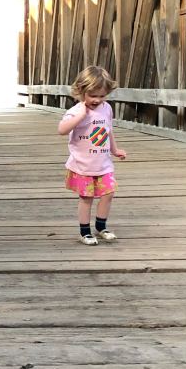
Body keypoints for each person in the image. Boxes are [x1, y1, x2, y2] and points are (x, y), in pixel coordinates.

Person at [57, 66, 127, 245]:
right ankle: (85, 231)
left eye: (102, 96)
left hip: (103, 163)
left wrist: (115, 150)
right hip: (83, 165)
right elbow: (62, 130)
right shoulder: (77, 111)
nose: (97, 100)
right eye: (92, 95)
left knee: (108, 193)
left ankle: (101, 226)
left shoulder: (107, 109)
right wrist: (79, 117)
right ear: (81, 91)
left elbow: (108, 130)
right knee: (86, 198)